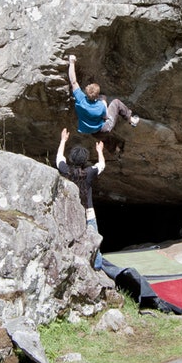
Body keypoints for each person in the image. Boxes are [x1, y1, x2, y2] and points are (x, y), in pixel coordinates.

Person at [56, 128, 104, 270]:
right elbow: (101, 165)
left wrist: (63, 140)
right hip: (88, 212)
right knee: (94, 240)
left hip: (72, 212)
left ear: (72, 159)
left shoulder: (66, 171)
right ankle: (97, 266)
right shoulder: (89, 173)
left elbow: (59, 159)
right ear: (85, 160)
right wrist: (100, 151)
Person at [68, 54, 139, 136]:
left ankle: (114, 146)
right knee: (116, 102)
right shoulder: (100, 106)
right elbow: (106, 117)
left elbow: (73, 82)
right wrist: (104, 102)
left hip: (88, 130)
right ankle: (131, 120)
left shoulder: (80, 99)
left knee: (103, 98)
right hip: (102, 129)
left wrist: (72, 63)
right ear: (97, 96)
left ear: (86, 92)